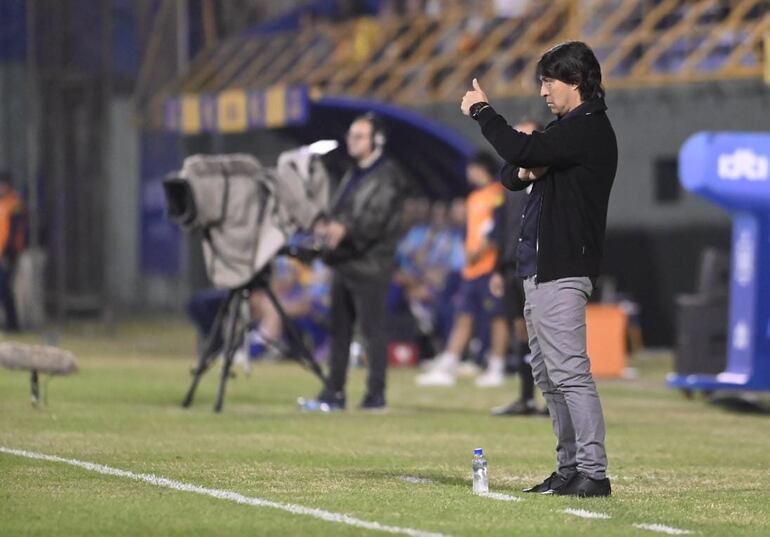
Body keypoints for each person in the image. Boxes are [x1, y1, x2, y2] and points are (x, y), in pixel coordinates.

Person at [461, 41, 617, 497]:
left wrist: (482, 111)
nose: (544, 90)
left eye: (550, 81)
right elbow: (512, 172)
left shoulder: (587, 127)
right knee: (549, 377)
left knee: (569, 372)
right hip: (540, 267)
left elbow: (516, 149)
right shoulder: (567, 129)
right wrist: (528, 169)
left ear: (576, 82)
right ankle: (569, 468)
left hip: (563, 265)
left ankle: (593, 471)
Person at [299, 112, 407, 412]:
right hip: (346, 260)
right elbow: (344, 212)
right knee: (340, 331)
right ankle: (334, 392)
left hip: (371, 264)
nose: (352, 141)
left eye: (359, 136)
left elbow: (375, 220)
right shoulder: (354, 172)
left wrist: (343, 229)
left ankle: (375, 396)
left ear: (377, 140)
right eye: (351, 135)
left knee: (373, 331)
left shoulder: (388, 175)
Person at [416, 152, 508, 388]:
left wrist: (482, 250)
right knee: (463, 315)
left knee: (498, 317)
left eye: (472, 168)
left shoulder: (497, 194)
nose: (468, 173)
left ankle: (497, 366)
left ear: (481, 168)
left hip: (489, 267)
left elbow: (497, 228)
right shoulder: (474, 197)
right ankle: (448, 365)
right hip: (471, 269)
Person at [488, 119, 549, 417]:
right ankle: (525, 397)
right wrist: (497, 270)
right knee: (521, 333)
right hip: (512, 269)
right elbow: (502, 230)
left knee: (548, 335)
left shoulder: (550, 179)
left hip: (540, 269)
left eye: (526, 136)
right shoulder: (511, 185)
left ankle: (553, 402)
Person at [0, 172, 23, 332]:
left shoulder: (14, 202)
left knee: (5, 288)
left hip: (8, 253)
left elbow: (16, 230)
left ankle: (13, 324)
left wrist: (10, 252)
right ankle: (11, 323)